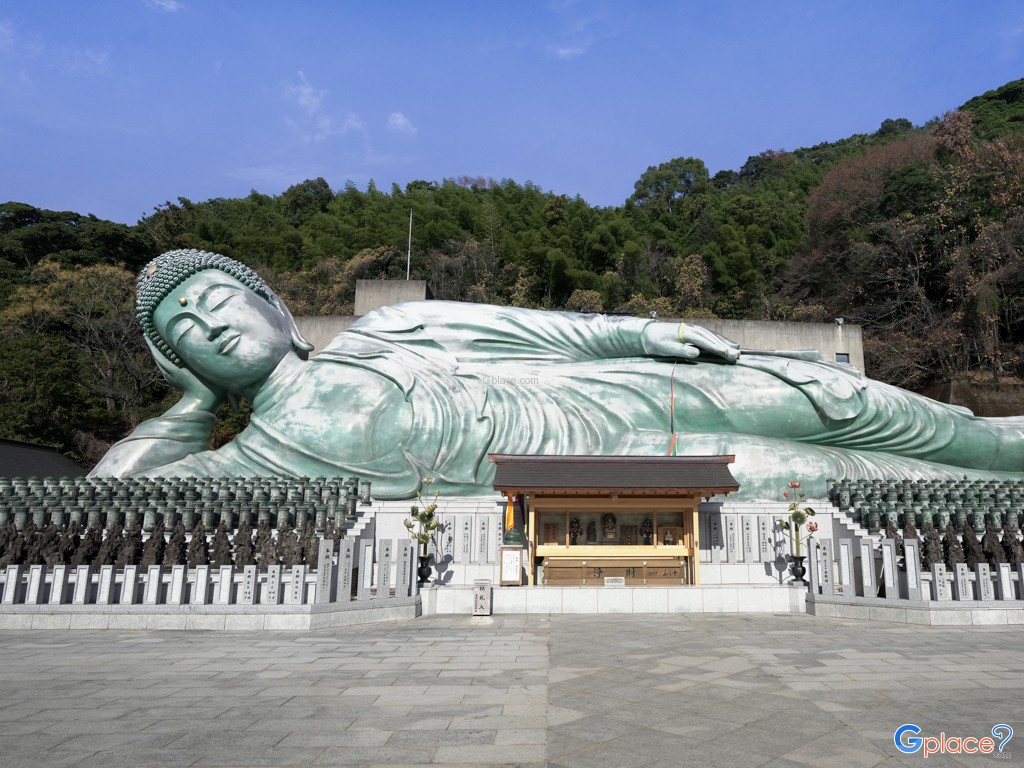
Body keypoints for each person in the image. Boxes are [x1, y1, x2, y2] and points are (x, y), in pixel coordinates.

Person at [90, 249, 1024, 501]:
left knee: (855, 404)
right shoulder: (261, 458)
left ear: (278, 308)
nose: (208, 319)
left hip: (608, 394)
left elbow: (545, 331)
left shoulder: (393, 327)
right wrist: (193, 407)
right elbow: (105, 505)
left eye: (218, 296)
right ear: (184, 361)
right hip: (607, 464)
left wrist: (643, 336)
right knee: (838, 478)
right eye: (184, 330)